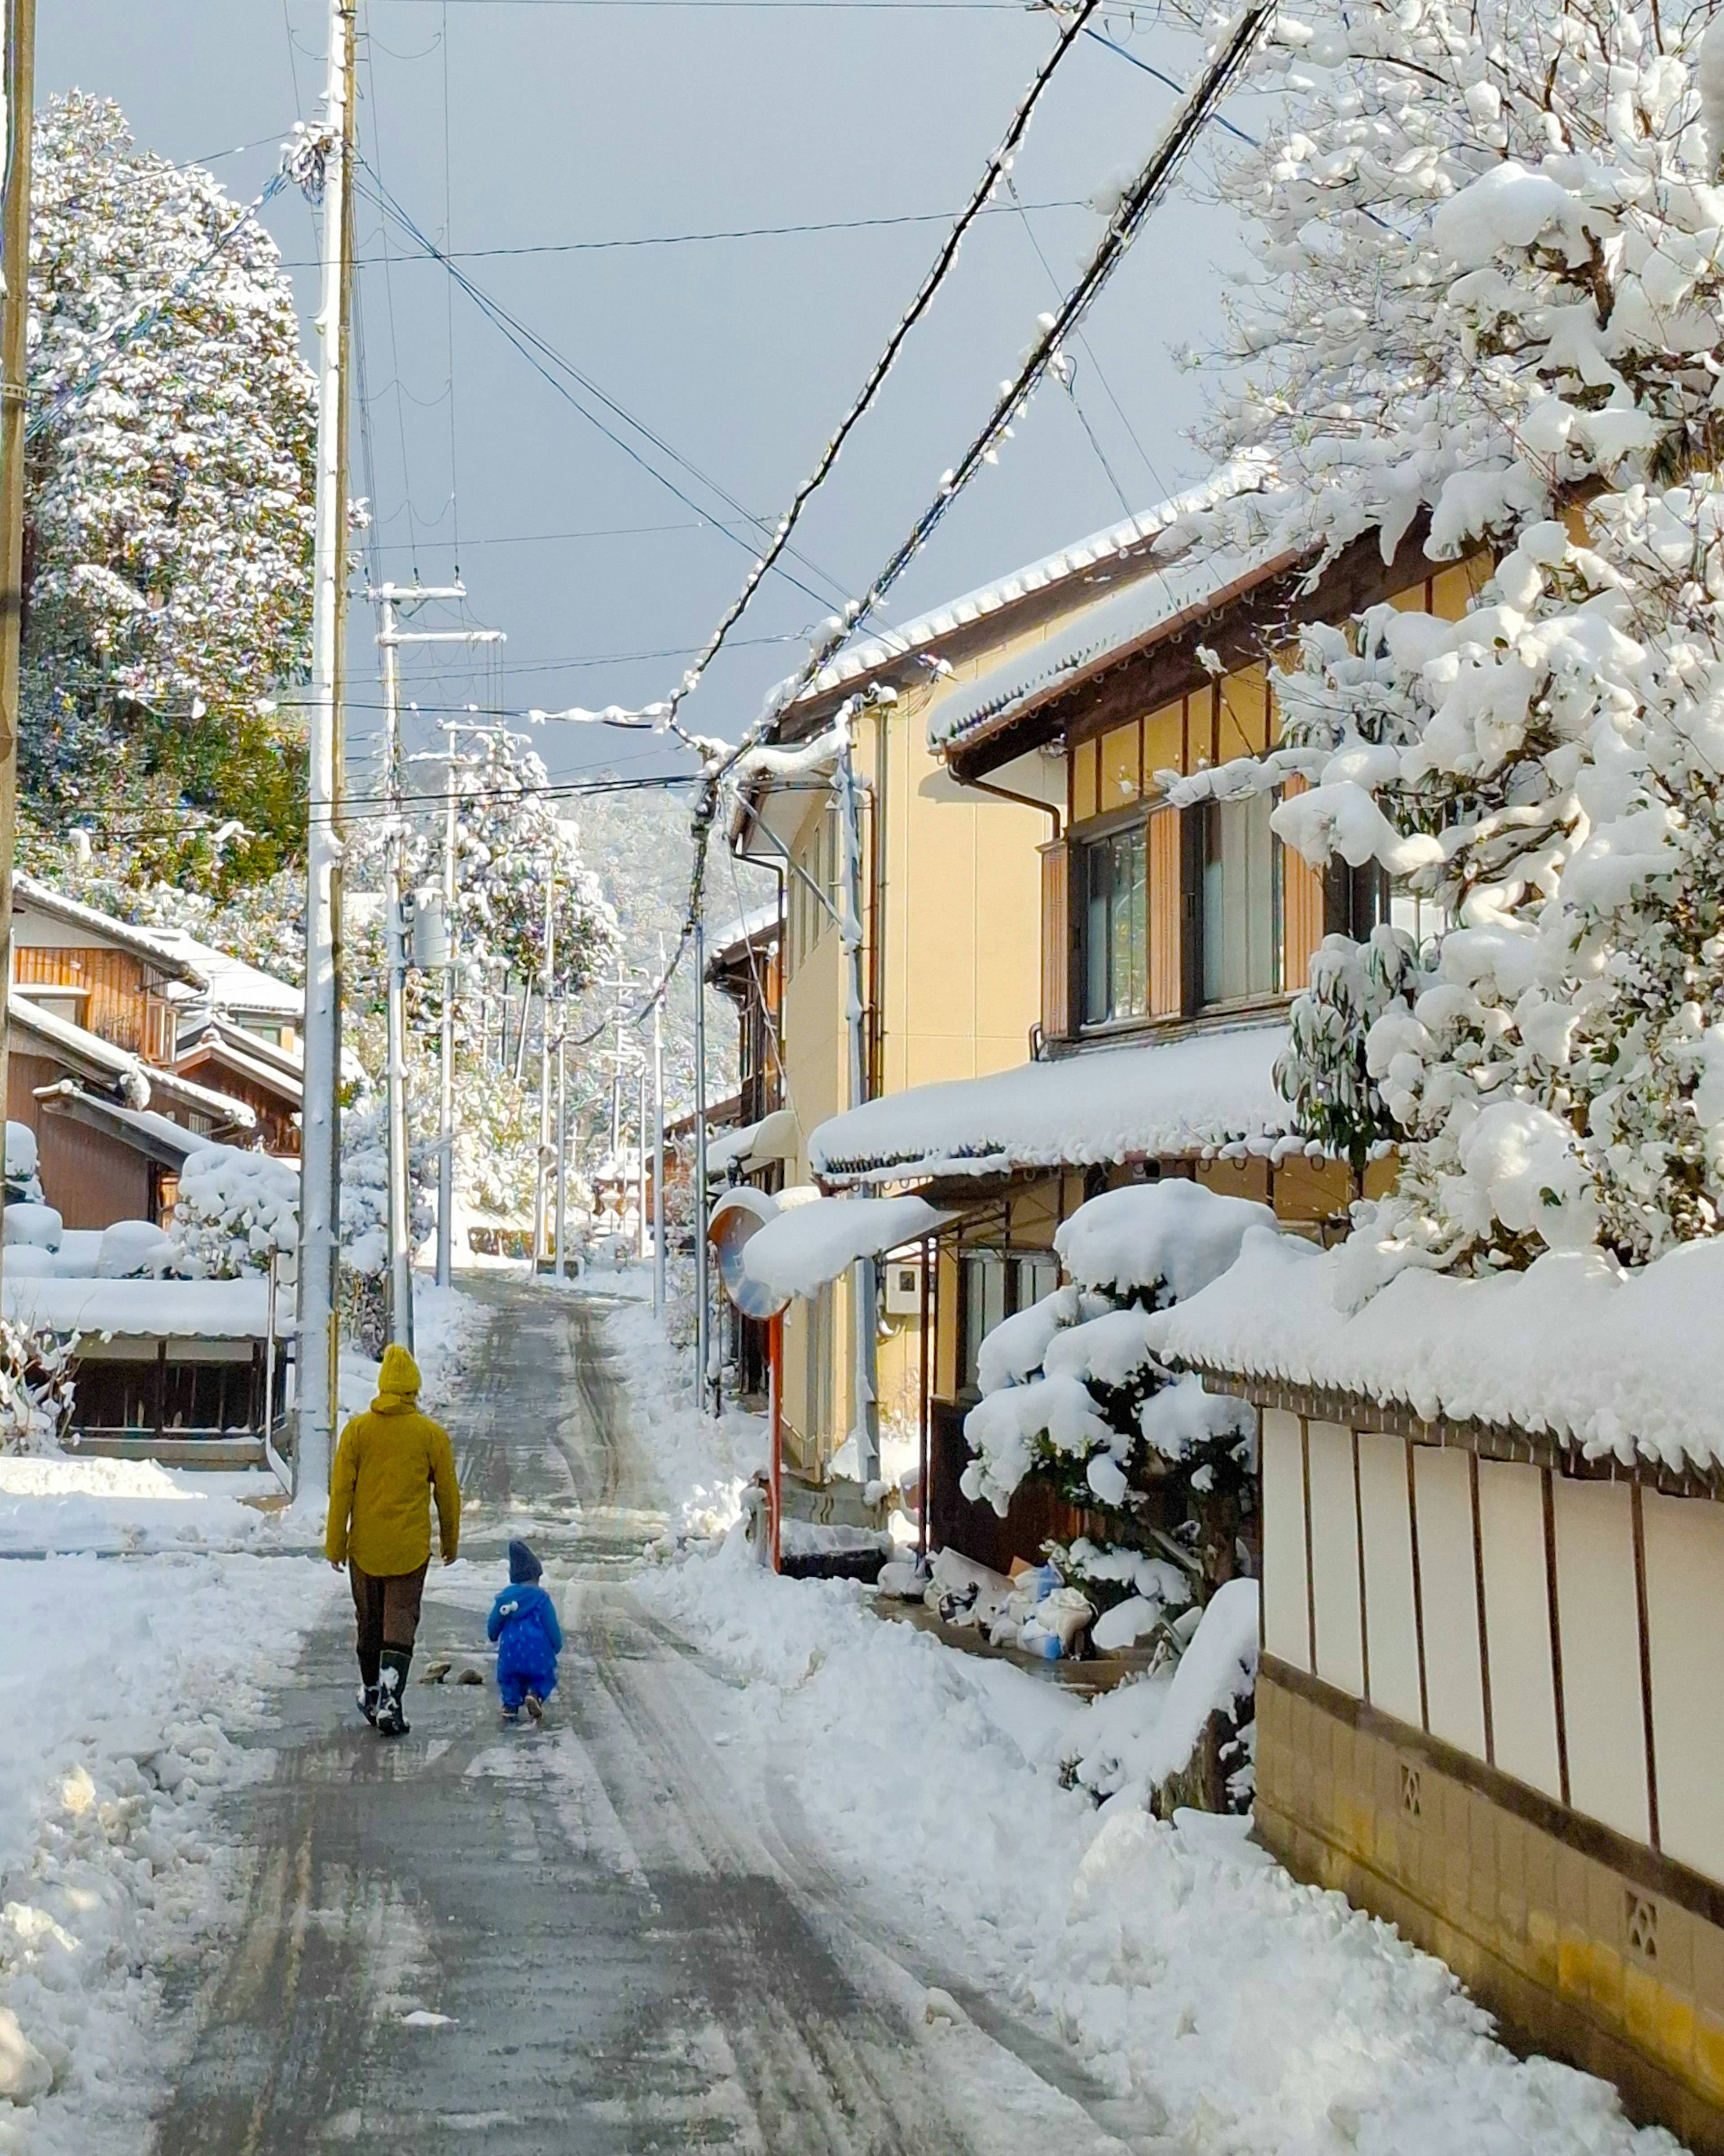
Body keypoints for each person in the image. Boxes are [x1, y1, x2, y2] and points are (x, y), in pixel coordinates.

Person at [325, 1343, 461, 1737]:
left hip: (364, 1550)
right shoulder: (430, 1435)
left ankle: (370, 1689)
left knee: (369, 1625)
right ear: (414, 1391)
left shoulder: (358, 1432)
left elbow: (342, 1494)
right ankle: (390, 1698)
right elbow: (448, 1495)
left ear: (383, 1387)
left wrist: (336, 1544)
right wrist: (450, 1540)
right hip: (409, 1549)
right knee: (399, 1623)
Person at [487, 1539, 562, 1722]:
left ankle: (510, 1705)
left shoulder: (506, 1598)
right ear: (535, 1577)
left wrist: (493, 1635)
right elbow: (551, 1625)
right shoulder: (542, 1599)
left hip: (511, 1652)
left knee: (509, 1679)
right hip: (538, 1653)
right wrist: (557, 1645)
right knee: (544, 1677)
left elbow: (494, 1624)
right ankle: (535, 1695)